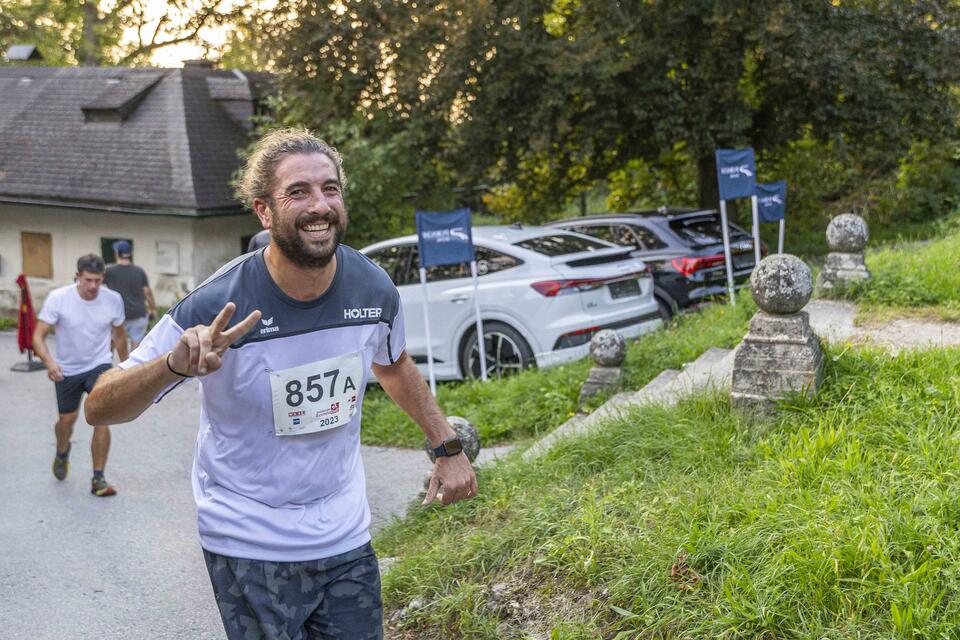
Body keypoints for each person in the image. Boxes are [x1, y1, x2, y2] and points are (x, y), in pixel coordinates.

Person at [85, 128, 477, 639]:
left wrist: (445, 446)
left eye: (330, 188)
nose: (320, 205)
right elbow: (99, 407)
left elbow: (393, 363)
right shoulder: (215, 304)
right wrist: (172, 366)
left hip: (343, 533)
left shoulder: (373, 288)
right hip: (249, 541)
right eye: (299, 192)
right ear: (264, 212)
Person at [34, 254, 128, 496]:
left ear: (103, 278)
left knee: (101, 417)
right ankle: (62, 450)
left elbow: (119, 335)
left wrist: (127, 366)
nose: (93, 286)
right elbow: (38, 336)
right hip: (67, 369)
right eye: (88, 280)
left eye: (97, 280)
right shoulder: (59, 298)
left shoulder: (112, 300)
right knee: (67, 420)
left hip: (99, 364)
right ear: (77, 277)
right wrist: (50, 363)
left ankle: (98, 478)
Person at [104, 239, 157, 350]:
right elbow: (147, 292)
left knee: (112, 343)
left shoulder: (109, 271)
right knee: (136, 346)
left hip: (117, 315)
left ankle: (110, 365)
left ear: (117, 253)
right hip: (138, 314)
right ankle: (132, 367)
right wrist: (153, 309)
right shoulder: (139, 271)